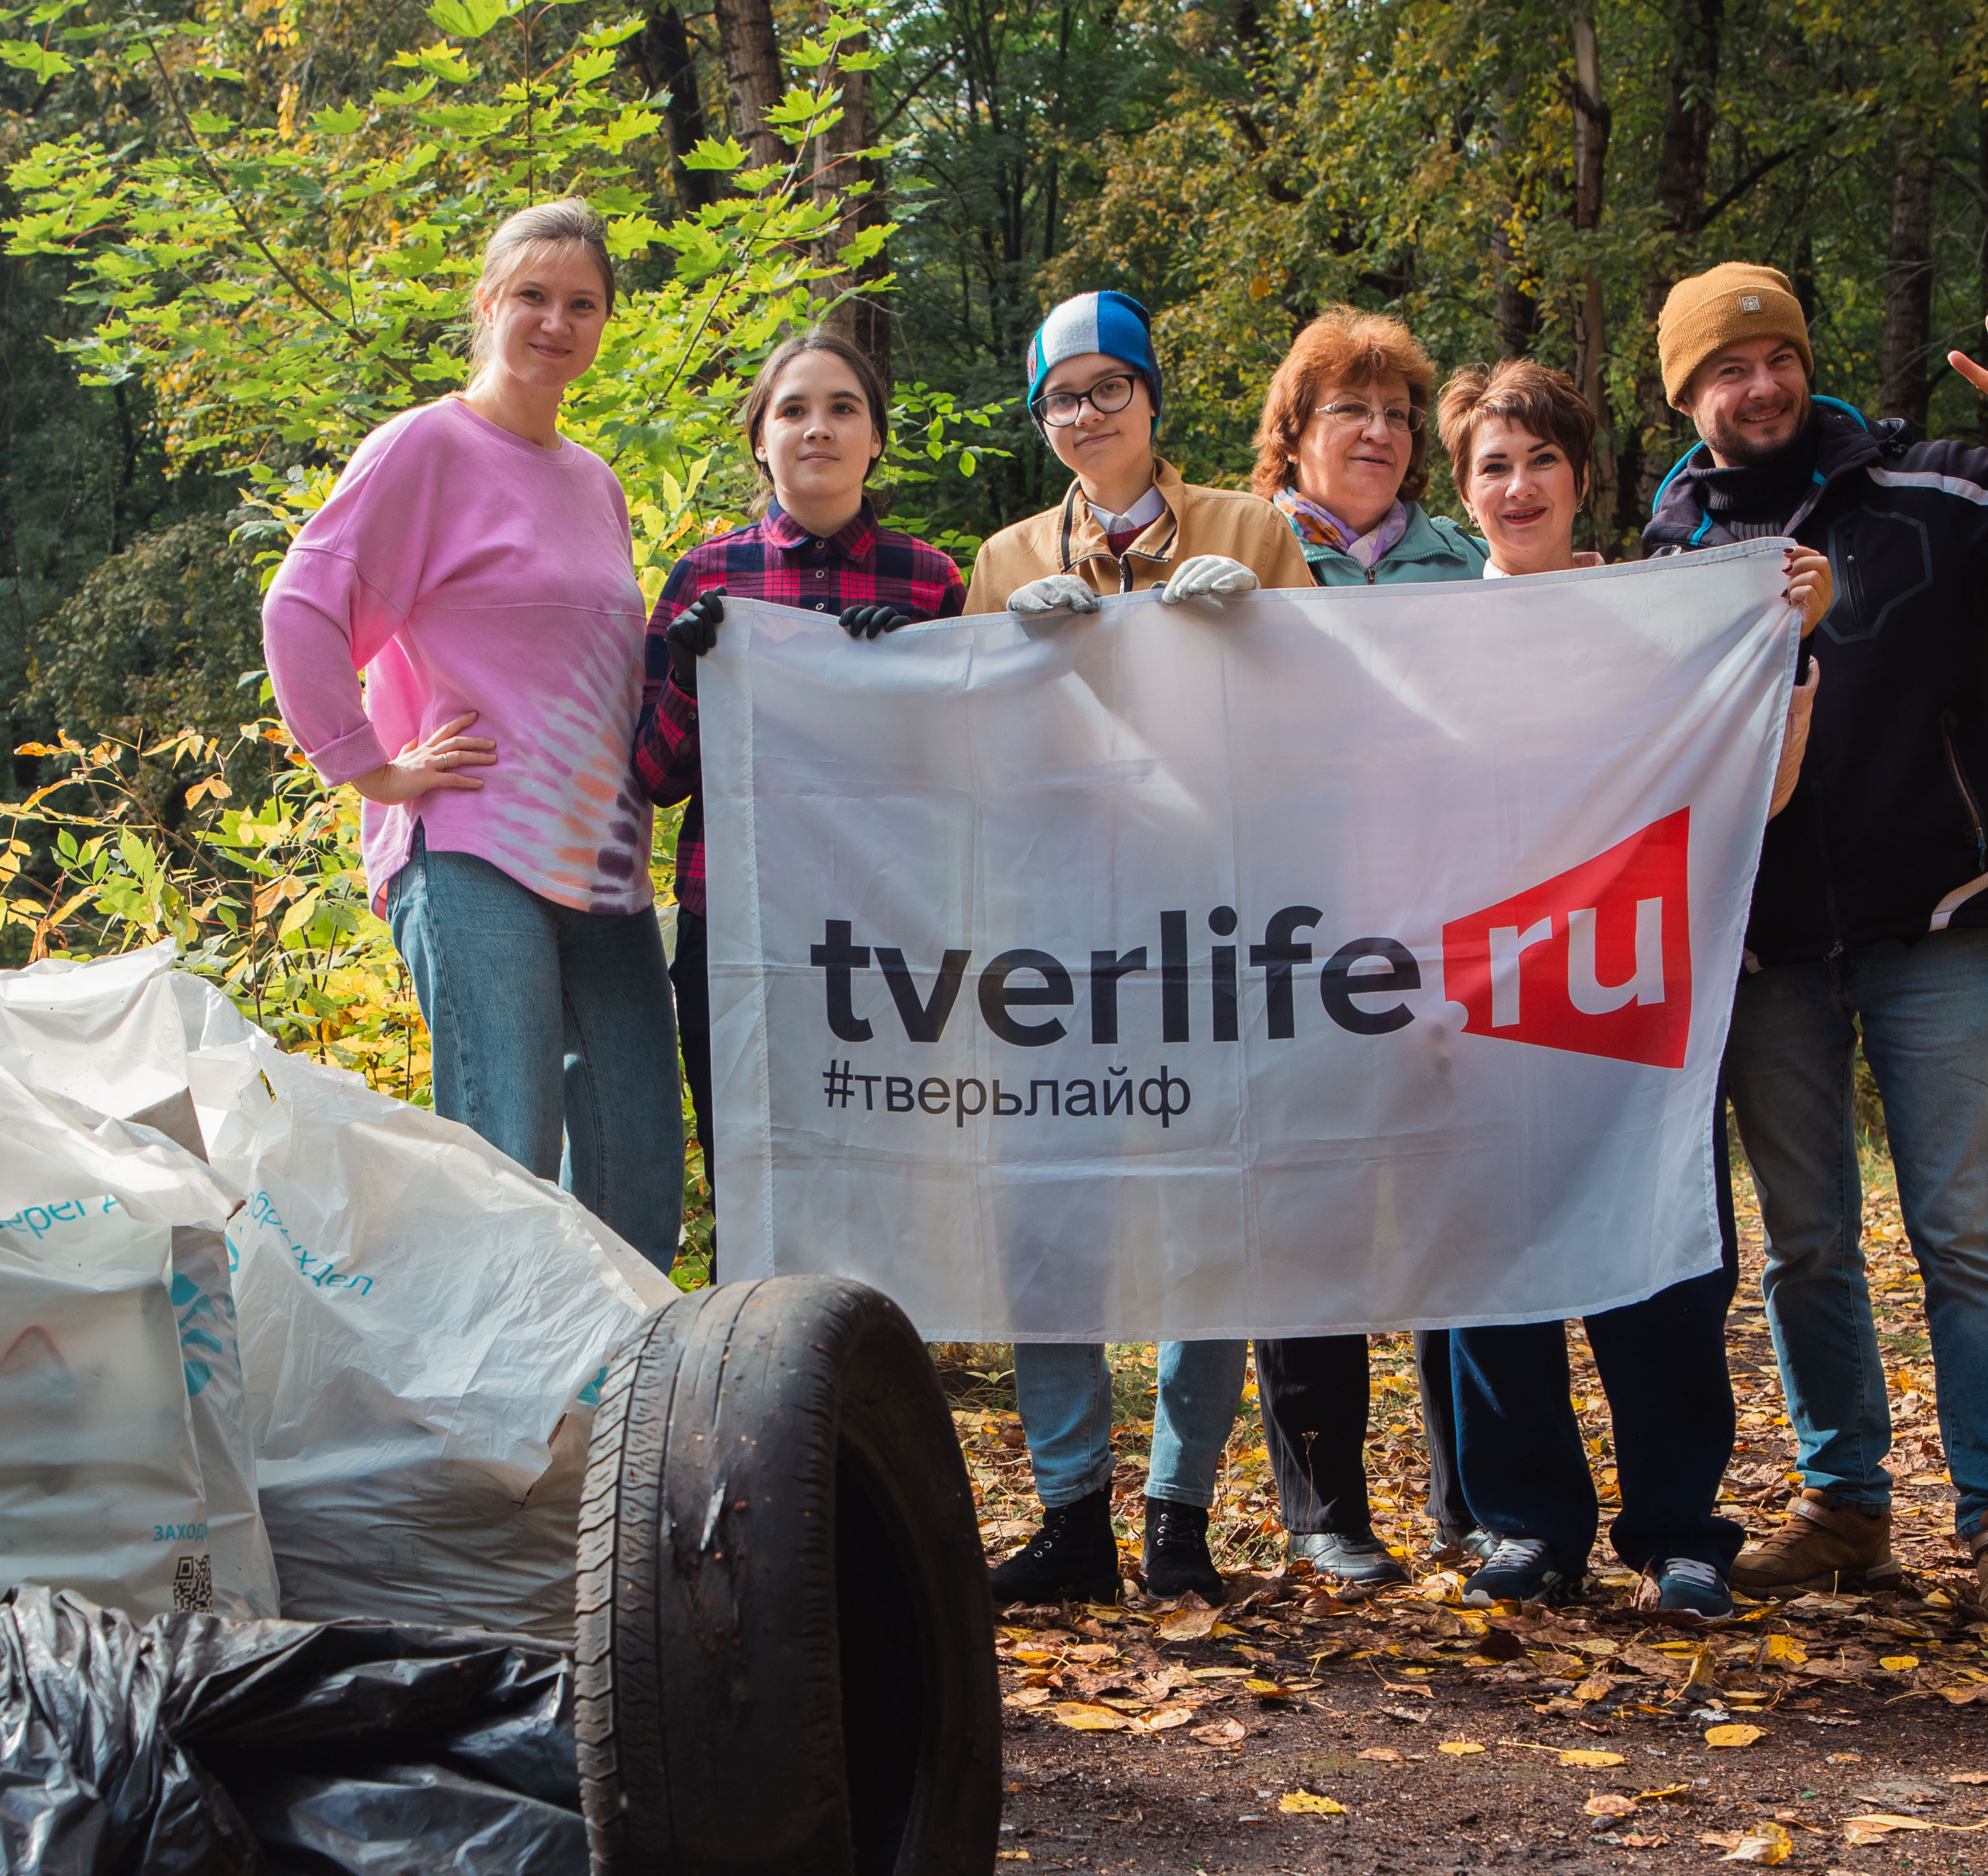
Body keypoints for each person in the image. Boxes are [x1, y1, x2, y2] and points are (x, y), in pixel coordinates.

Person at [1639, 264, 1988, 1624]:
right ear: (1686, 397)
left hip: (1937, 921)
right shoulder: (1665, 557)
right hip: (1765, 949)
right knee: (1807, 1243)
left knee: (1963, 1232)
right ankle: (1845, 1509)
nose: (1756, 386)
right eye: (1724, 371)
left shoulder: (1934, 492)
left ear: (1803, 365)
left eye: (1773, 359)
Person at [1436, 357, 1828, 1619]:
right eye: (1492, 465)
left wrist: (1791, 649)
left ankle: (1678, 1529)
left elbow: (1758, 797)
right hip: (1478, 997)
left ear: (1583, 478)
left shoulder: (1664, 618)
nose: (1518, 486)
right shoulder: (1421, 643)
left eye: (1541, 460)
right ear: (1465, 490)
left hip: (1632, 989)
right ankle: (1526, 1526)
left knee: (1665, 1267)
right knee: (1495, 1266)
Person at [971, 290, 1313, 1609]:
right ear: (1044, 418)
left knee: (1203, 1219)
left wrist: (1263, 636)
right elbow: (982, 759)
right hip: (1060, 937)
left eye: (1113, 386)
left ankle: (1179, 1510)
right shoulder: (1003, 558)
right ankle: (1072, 1519)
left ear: (1155, 398)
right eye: (1065, 395)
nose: (1090, 413)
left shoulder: (1251, 531)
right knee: (1051, 1219)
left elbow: (1321, 732)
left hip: (1213, 921)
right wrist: (1022, 662)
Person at [260, 199, 680, 1269]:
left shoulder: (594, 482)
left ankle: (608, 1416)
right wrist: (371, 769)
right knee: (508, 1156)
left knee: (640, 1171)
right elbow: (302, 609)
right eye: (532, 296)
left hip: (607, 870)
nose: (556, 321)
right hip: (473, 849)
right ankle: (486, 1425)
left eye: (582, 304)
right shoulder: (427, 448)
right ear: (487, 304)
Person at [1239, 308, 1490, 1585]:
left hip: (1444, 924)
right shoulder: (1243, 552)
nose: (1382, 433)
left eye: (1399, 414)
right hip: (1294, 934)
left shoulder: (1464, 562)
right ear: (1297, 432)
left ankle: (1477, 1498)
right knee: (1310, 1213)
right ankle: (1327, 1508)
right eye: (1354, 411)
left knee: (1454, 1211)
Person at [637, 332, 968, 1181]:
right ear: (761, 438)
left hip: (886, 921)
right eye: (794, 410)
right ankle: (756, 1321)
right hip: (738, 919)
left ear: (875, 439)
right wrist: (687, 679)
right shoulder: (705, 577)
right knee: (749, 1158)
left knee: (885, 1158)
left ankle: (884, 1323)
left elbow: (966, 776)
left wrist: (914, 671)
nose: (817, 428)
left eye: (842, 408)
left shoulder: (930, 583)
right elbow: (654, 778)